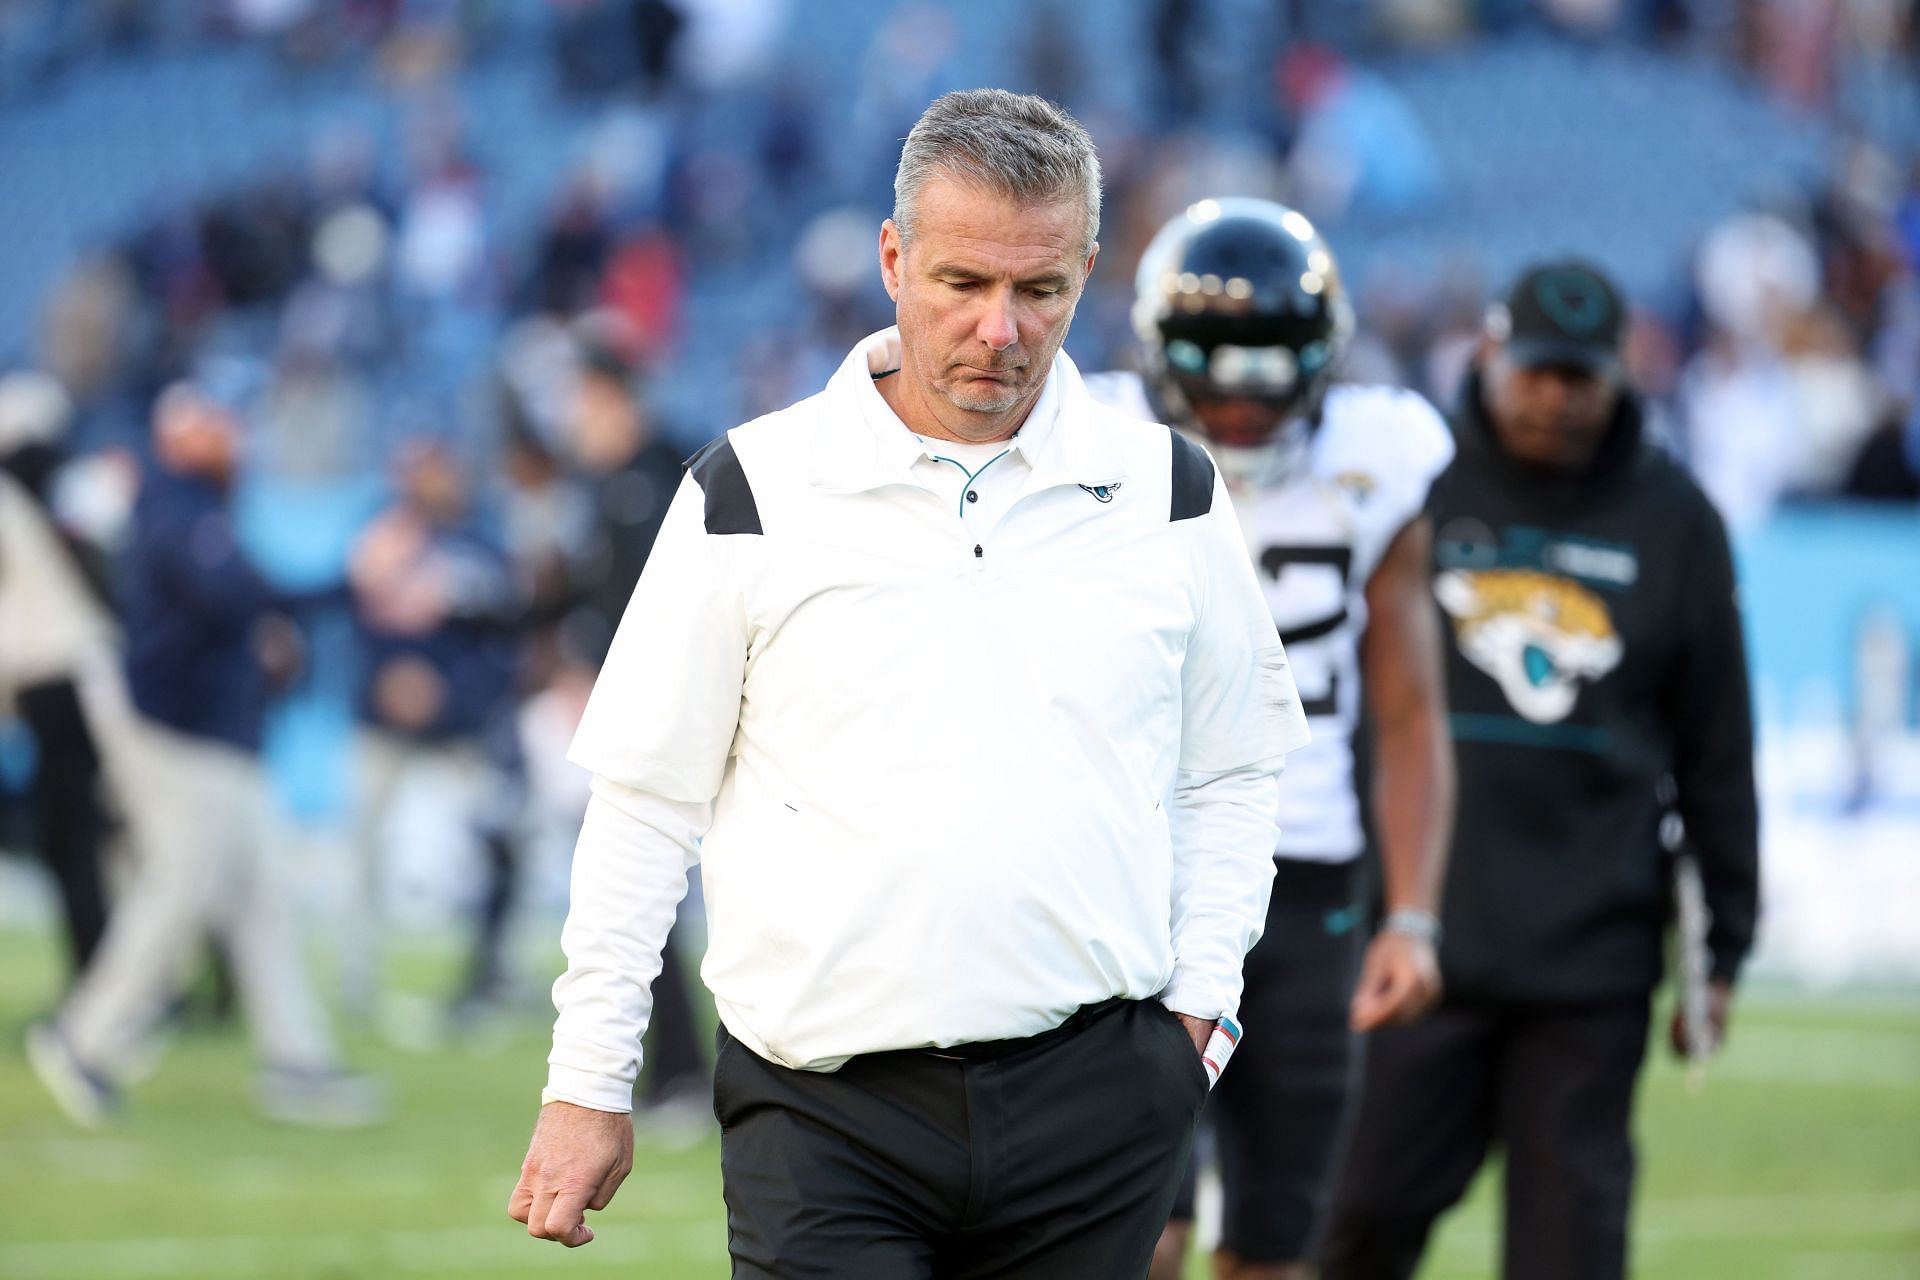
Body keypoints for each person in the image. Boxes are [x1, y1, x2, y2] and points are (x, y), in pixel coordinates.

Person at [509, 88, 1313, 1277]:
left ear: (1087, 272)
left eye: (1039, 290)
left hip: (1098, 1102)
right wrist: (586, 1079)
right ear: (893, 259)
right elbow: (643, 802)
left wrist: (1198, 1015)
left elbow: (1236, 767)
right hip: (824, 1114)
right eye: (963, 283)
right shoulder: (751, 488)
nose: (1001, 328)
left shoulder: (1171, 490)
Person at [1320, 260, 1761, 1280]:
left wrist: (1724, 945)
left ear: (1620, 375)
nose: (1557, 397)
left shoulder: (1677, 519)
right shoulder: (1414, 481)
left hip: (1591, 964)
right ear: (1489, 352)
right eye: (1537, 372)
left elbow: (1719, 752)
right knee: (1349, 1222)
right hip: (1418, 945)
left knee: (1572, 1255)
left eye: (1583, 377)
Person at [1090, 199, 1455, 1280]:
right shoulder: (1091, 437)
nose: (1243, 411)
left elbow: (1408, 708)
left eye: (1268, 377)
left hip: (1307, 876)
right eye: (1214, 376)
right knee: (1132, 1230)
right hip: (1136, 867)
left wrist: (1416, 914)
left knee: (1277, 1240)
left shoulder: (1382, 456)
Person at [25, 381, 381, 1130]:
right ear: (181, 434)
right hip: (177, 732)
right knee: (182, 885)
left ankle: (297, 1060)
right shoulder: (175, 506)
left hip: (219, 735)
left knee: (263, 899)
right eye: (216, 426)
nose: (234, 440)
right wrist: (350, 583)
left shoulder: (200, 506)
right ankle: (81, 1035)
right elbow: (238, 596)